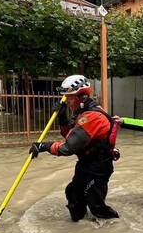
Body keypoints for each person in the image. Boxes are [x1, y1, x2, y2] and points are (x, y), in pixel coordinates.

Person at [29, 75, 120, 222]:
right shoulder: (81, 114)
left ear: (82, 97)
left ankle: (116, 227)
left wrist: (44, 146)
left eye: (70, 98)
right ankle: (79, 227)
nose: (67, 101)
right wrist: (62, 118)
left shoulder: (92, 116)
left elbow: (68, 148)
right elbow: (69, 136)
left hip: (98, 166)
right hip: (85, 163)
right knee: (73, 194)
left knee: (96, 205)